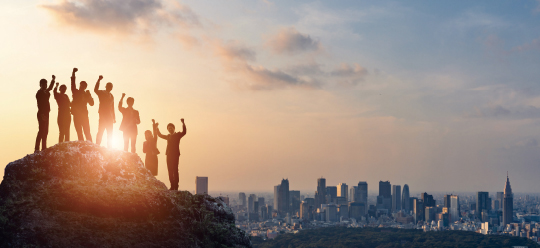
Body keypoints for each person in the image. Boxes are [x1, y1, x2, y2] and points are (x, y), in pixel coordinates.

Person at [156, 119, 186, 191]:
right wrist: (156, 127)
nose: (170, 129)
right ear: (168, 130)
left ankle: (176, 186)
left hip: (175, 155)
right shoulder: (168, 136)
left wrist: (183, 123)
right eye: (169, 128)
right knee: (170, 170)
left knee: (175, 170)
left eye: (171, 128)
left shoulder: (177, 135)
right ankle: (172, 186)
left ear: (174, 128)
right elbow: (159, 135)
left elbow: (184, 132)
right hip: (168, 155)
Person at [70, 68, 94, 142]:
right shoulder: (75, 92)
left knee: (87, 132)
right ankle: (83, 148)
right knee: (79, 133)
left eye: (84, 86)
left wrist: (89, 96)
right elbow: (73, 83)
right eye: (81, 85)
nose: (82, 87)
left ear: (85, 87)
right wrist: (73, 73)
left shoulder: (86, 95)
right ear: (80, 85)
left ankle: (91, 147)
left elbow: (92, 104)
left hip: (84, 115)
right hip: (76, 115)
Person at [35, 75, 55, 152]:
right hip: (41, 114)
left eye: (45, 84)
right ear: (40, 85)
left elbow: (50, 88)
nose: (45, 86)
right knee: (41, 131)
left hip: (46, 113)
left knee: (46, 131)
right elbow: (39, 104)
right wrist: (42, 114)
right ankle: (37, 148)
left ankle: (44, 147)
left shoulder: (46, 92)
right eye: (43, 84)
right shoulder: (39, 93)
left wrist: (53, 80)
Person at [94, 76, 116, 148]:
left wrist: (114, 118)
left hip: (110, 117)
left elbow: (112, 107)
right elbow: (95, 90)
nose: (110, 87)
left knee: (110, 133)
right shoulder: (102, 93)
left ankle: (109, 148)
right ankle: (97, 145)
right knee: (100, 131)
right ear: (106, 86)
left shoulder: (112, 96)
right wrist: (98, 80)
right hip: (103, 116)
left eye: (111, 86)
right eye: (109, 86)